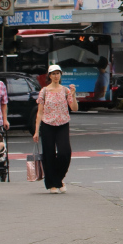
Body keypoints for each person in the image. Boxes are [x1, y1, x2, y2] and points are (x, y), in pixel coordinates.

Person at [33, 63, 78, 193]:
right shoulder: (45, 91)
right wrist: (36, 131)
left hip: (63, 123)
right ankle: (52, 183)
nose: (56, 76)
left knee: (65, 152)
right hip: (47, 124)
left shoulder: (65, 90)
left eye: (58, 73)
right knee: (49, 154)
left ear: (61, 75)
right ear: (50, 76)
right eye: (53, 73)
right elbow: (40, 112)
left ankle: (58, 179)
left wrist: (74, 95)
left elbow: (74, 108)